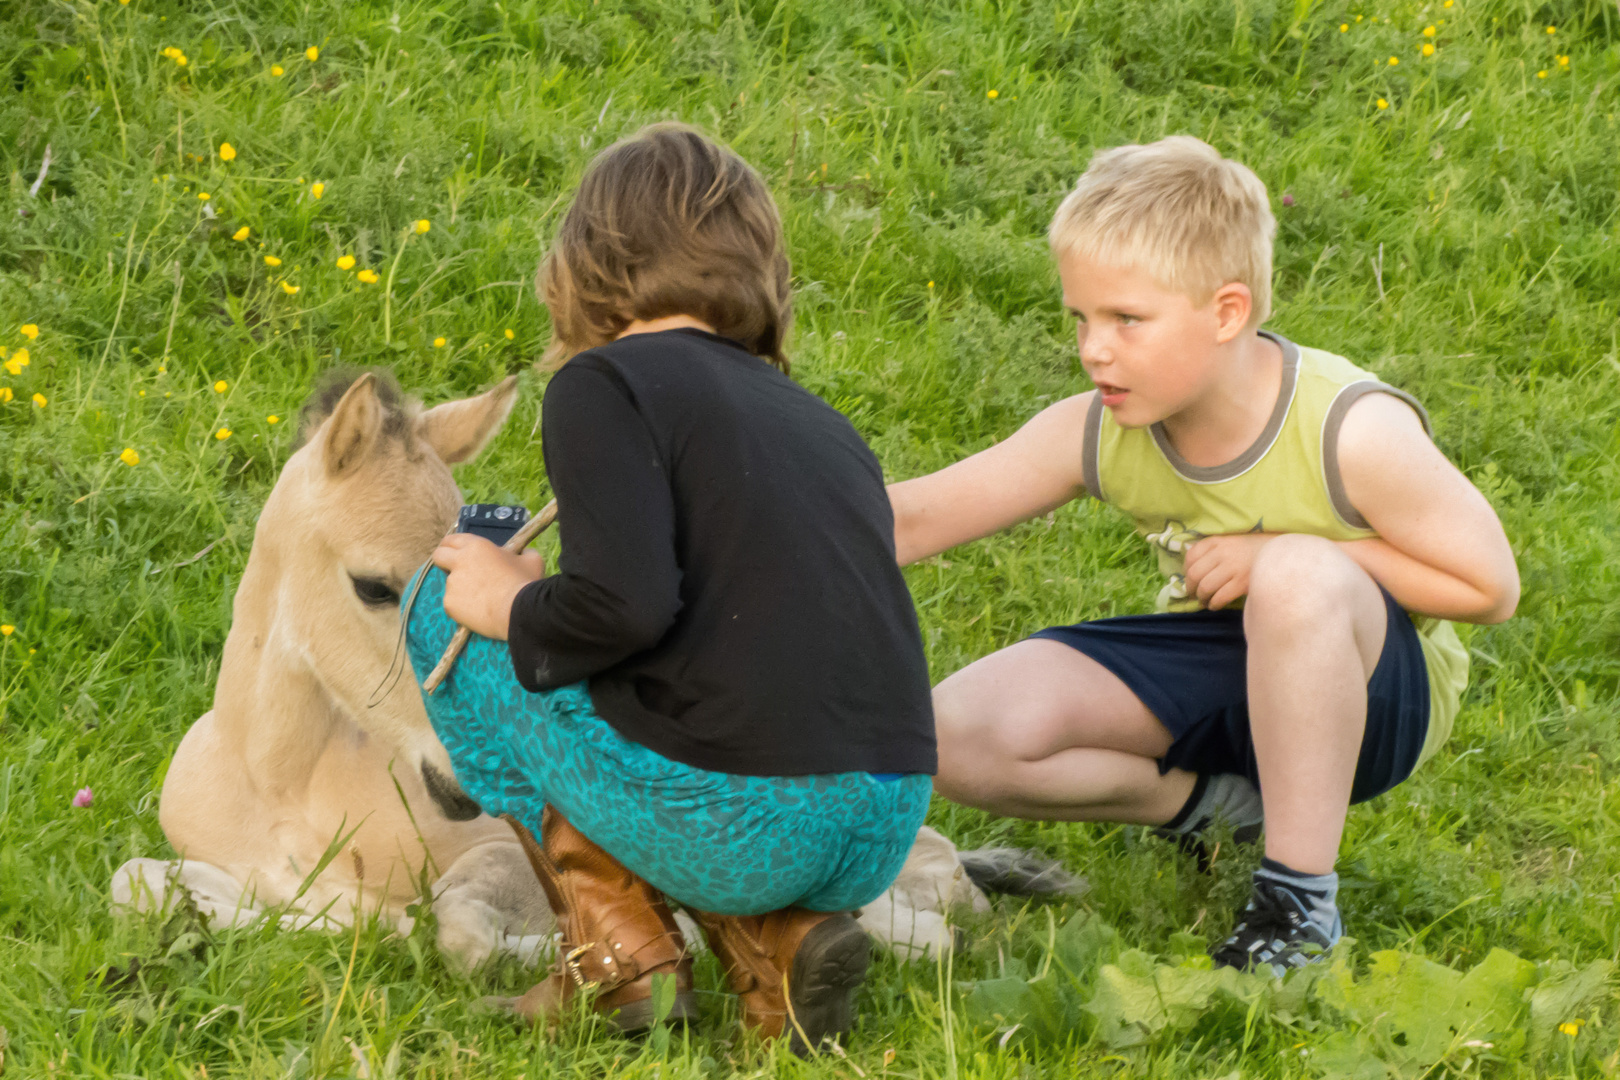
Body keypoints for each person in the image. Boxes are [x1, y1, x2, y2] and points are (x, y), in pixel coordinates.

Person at [887, 136, 1518, 975]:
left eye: (1125, 320)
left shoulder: (1349, 427)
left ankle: (1297, 907)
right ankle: (1215, 810)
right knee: (951, 734)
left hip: (1371, 691)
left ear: (1225, 312)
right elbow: (915, 518)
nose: (1092, 349)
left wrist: (1279, 552)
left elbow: (1489, 586)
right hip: (1228, 658)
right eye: (1081, 317)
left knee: (1298, 578)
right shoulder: (1102, 425)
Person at [410, 123, 935, 1052]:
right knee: (611, 675)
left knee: (433, 607)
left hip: (749, 821)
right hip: (882, 819)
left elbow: (627, 608)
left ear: (587, 261)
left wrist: (505, 600)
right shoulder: (822, 422)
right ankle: (779, 945)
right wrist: (546, 601)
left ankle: (620, 961)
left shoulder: (603, 384)